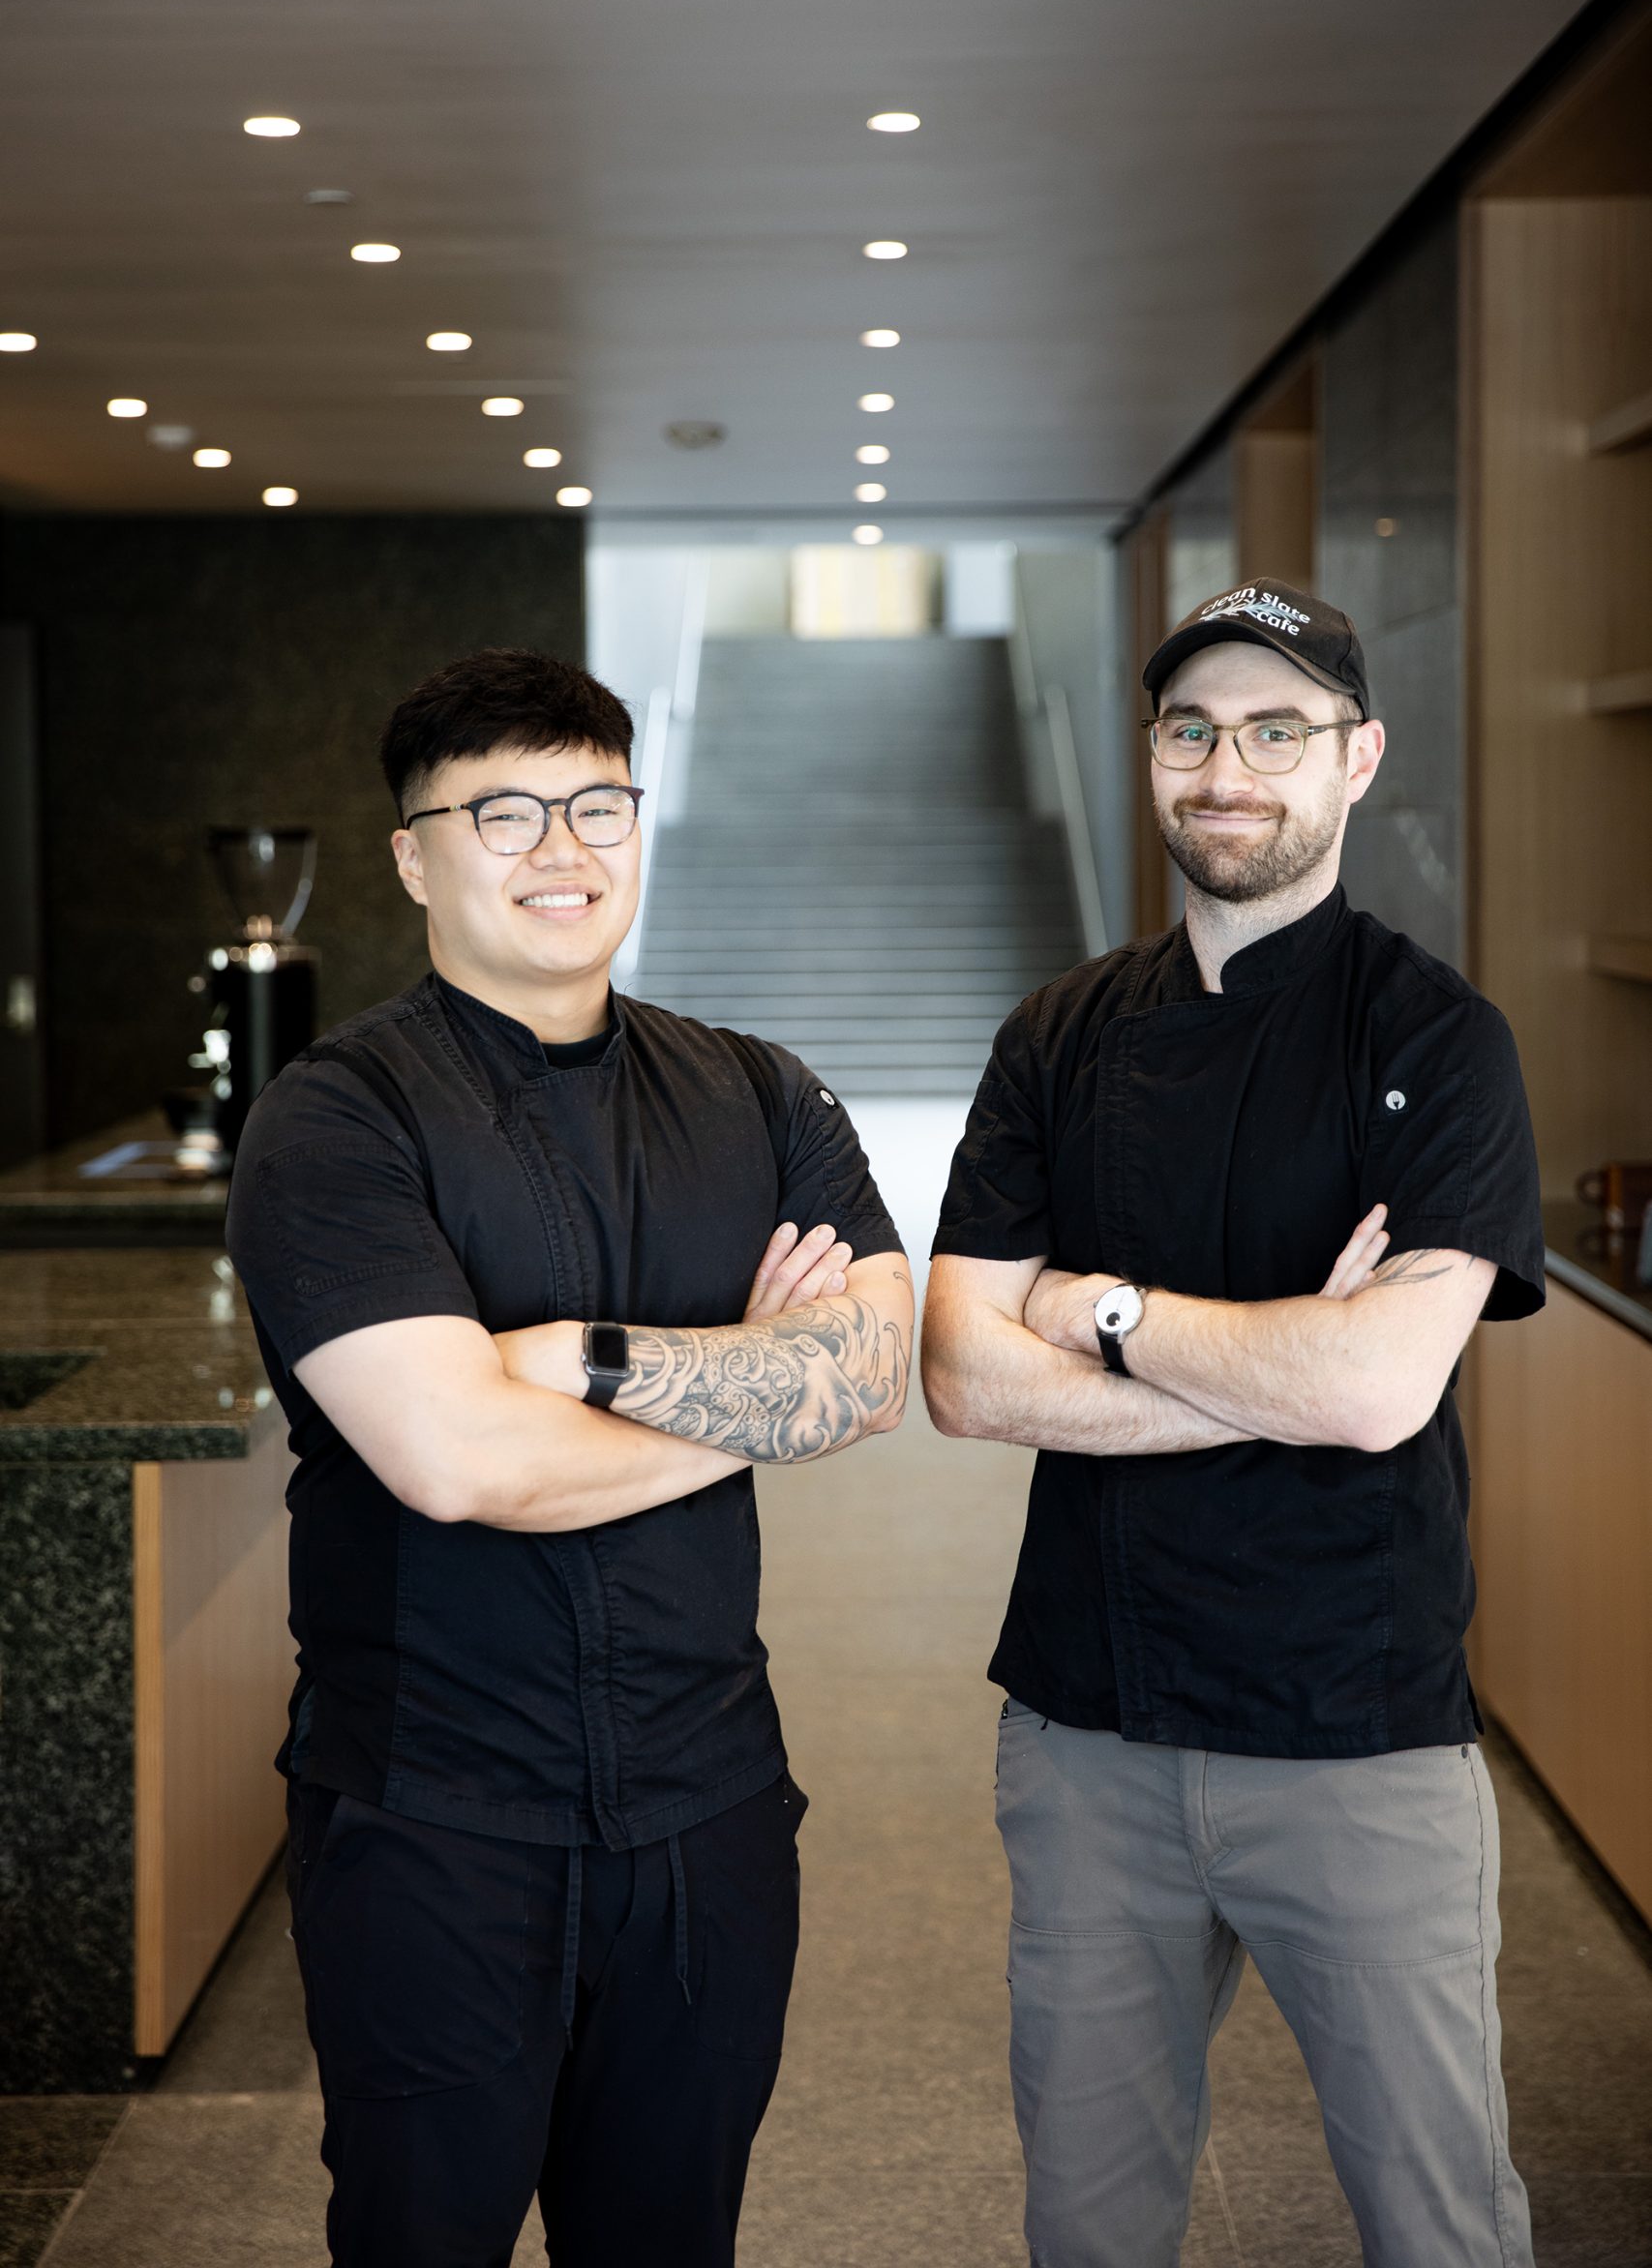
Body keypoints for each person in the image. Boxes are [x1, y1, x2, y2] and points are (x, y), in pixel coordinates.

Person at [226, 645, 912, 2268]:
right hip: (435, 1820)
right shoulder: (334, 1121)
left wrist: (580, 1364)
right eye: (506, 813)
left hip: (709, 1807)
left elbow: (876, 1373)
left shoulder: (760, 1091)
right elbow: (461, 1461)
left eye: (599, 807)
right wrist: (755, 1397)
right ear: (414, 857)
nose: (564, 849)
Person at [922, 579, 1544, 2268]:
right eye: (1192, 731)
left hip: (1356, 1731)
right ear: (1151, 755)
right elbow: (963, 1376)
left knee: (1439, 2222)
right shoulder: (1057, 1035)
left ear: (1359, 758)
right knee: (1090, 2222)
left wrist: (1104, 1315)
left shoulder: (1440, 1040)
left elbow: (1380, 1389)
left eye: (1279, 732)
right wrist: (1286, 1374)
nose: (1228, 771)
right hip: (1089, 1733)